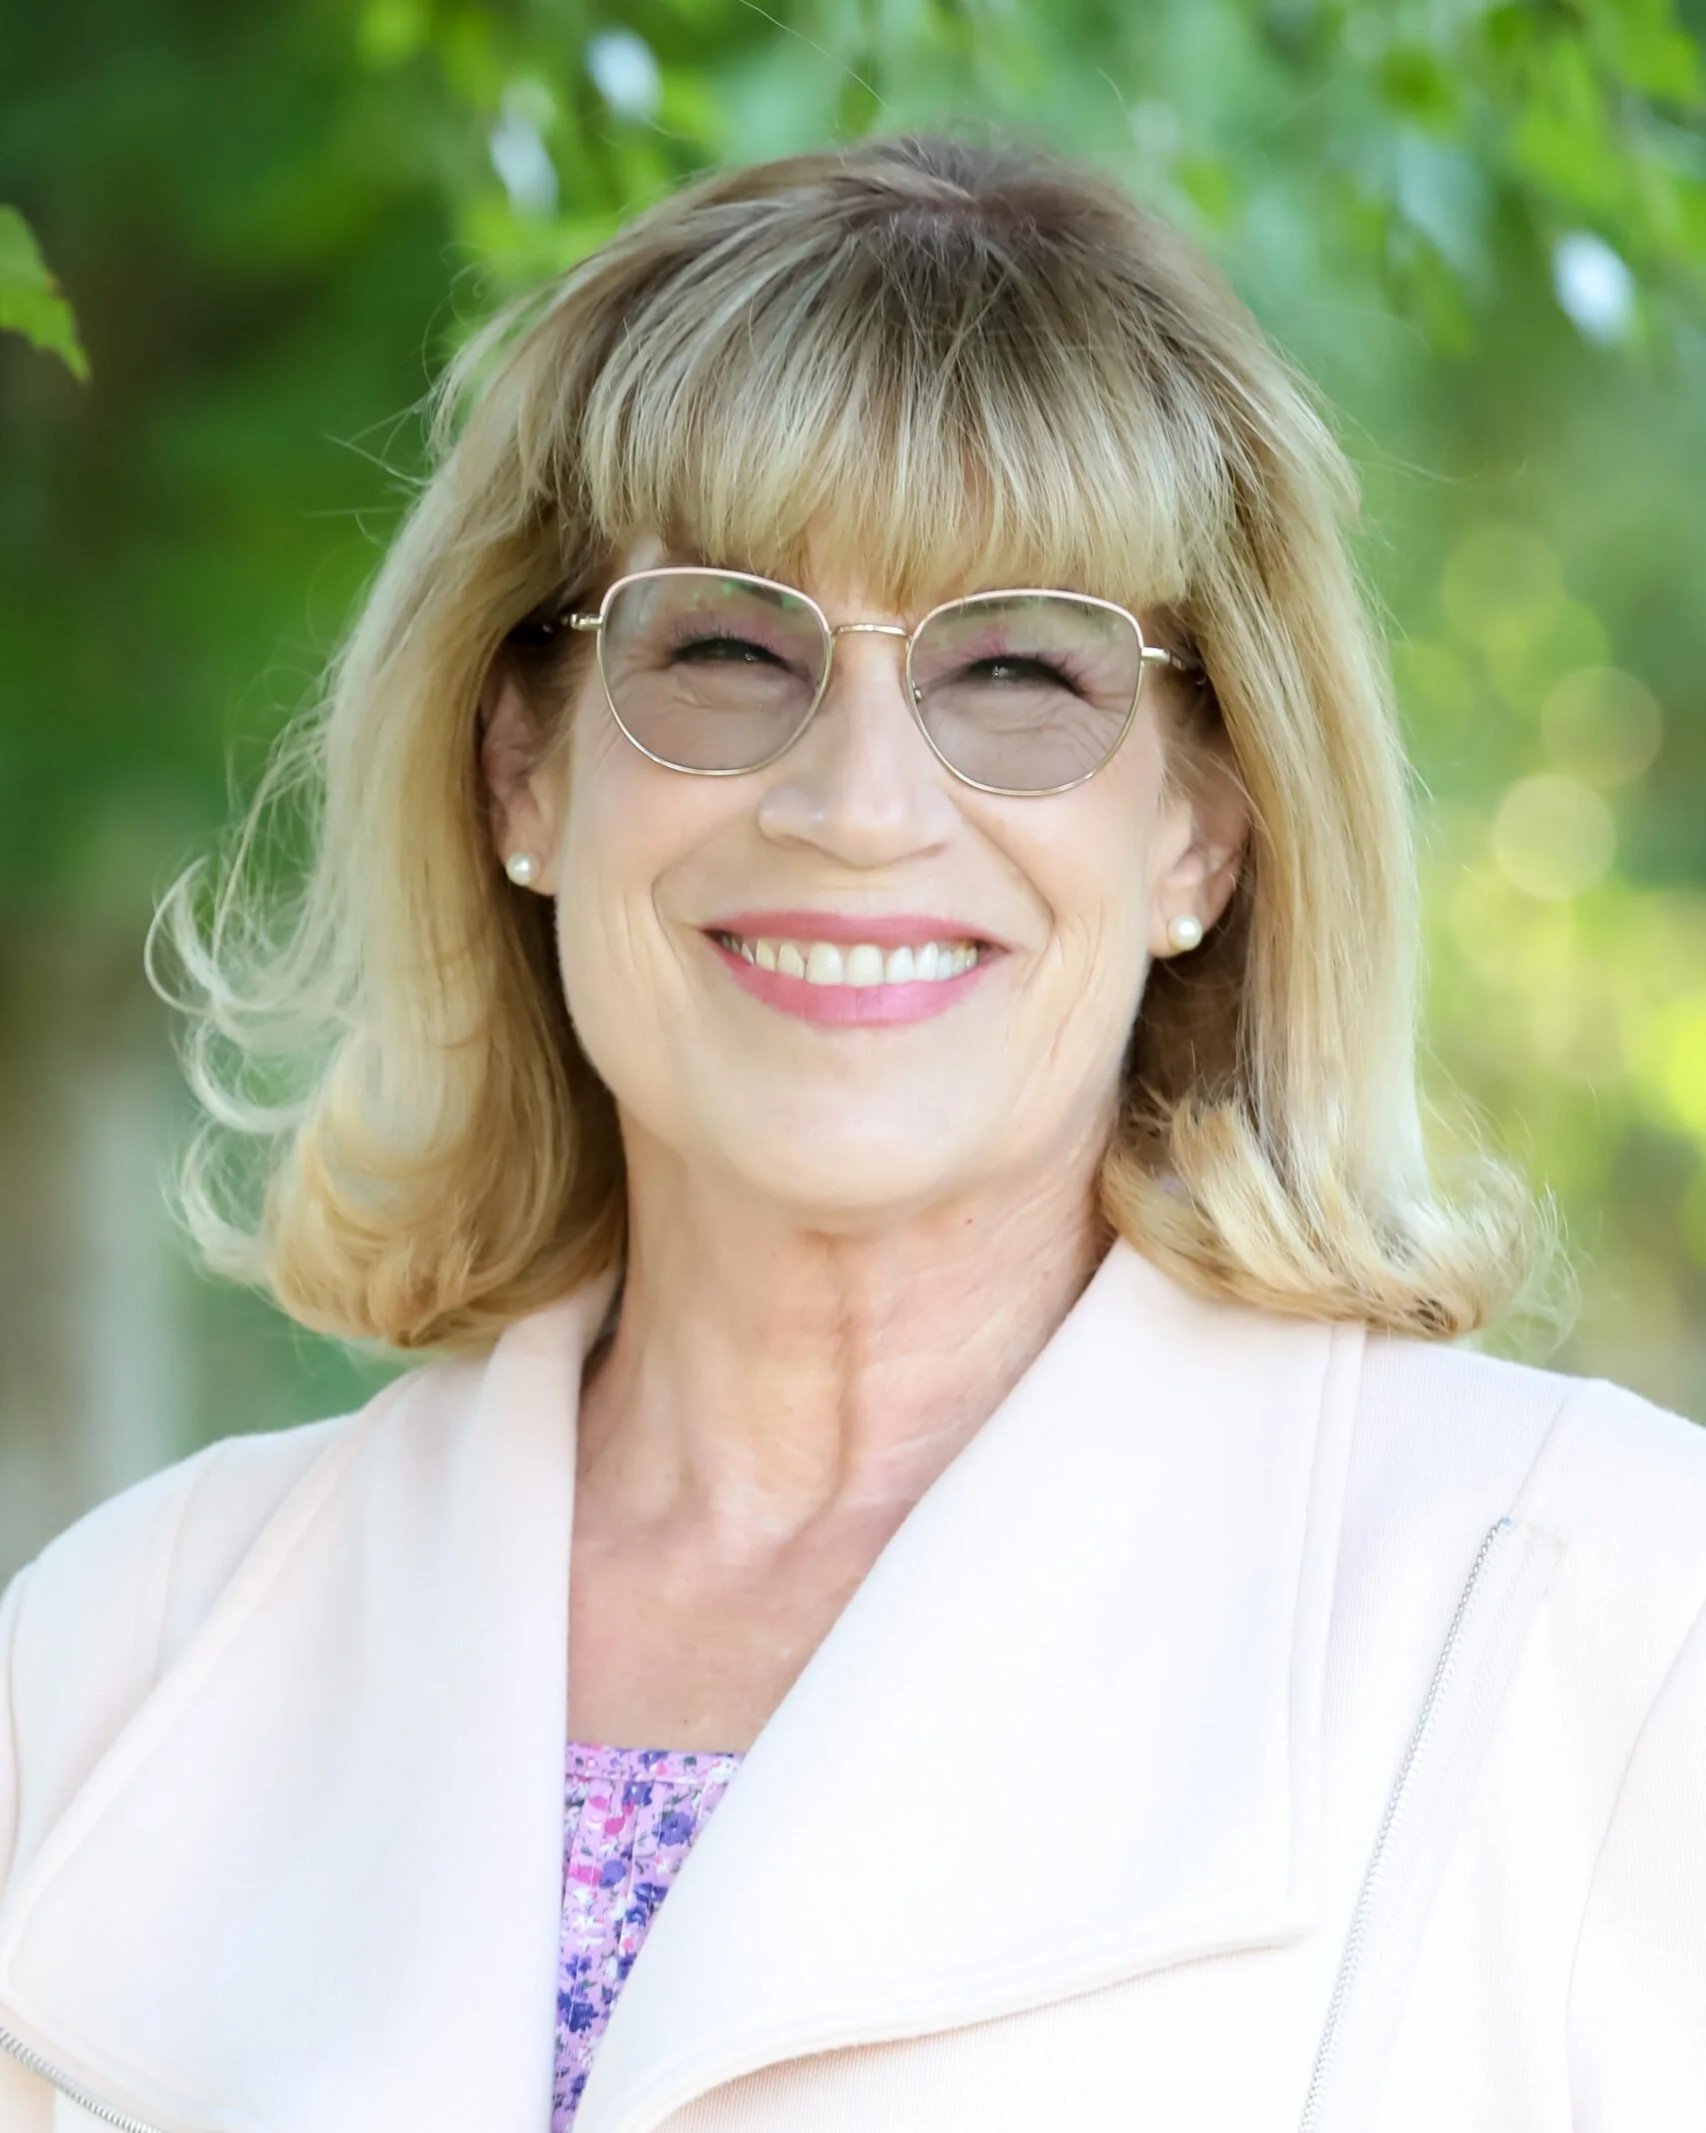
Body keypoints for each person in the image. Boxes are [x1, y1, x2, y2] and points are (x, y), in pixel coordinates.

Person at [1, 132, 1701, 2133]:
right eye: (727, 650)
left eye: (1020, 670)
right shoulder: (117, 1660)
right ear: (520, 765)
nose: (859, 803)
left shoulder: (1600, 1619)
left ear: (1202, 826)